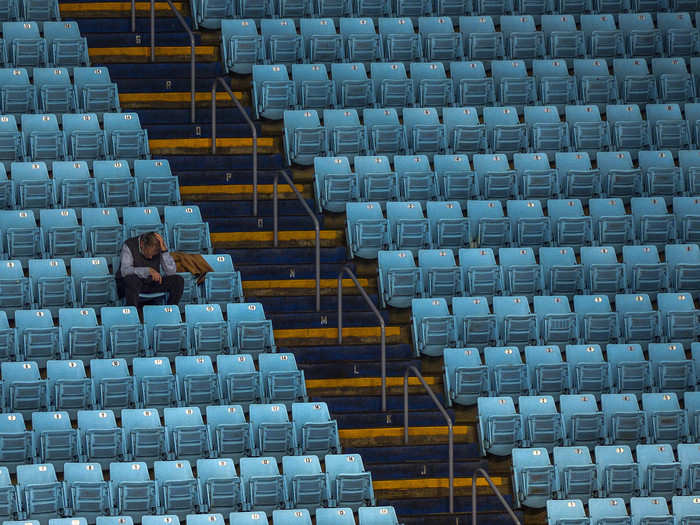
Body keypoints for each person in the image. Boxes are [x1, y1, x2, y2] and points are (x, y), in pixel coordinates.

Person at [116, 231, 184, 309]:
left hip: (151, 282)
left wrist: (164, 251)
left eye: (154, 254)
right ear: (142, 244)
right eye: (148, 253)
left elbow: (171, 272)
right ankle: (132, 314)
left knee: (178, 280)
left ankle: (170, 311)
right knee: (131, 279)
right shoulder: (129, 245)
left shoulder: (159, 247)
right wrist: (147, 271)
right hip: (133, 285)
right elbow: (124, 271)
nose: (151, 257)